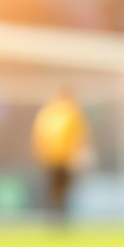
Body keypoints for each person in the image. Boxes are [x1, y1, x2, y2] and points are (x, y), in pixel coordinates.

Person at [32, 88, 90, 225]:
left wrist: (79, 153)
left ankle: (60, 216)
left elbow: (80, 135)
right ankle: (54, 216)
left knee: (62, 188)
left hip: (64, 157)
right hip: (53, 157)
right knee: (55, 188)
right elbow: (40, 135)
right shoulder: (50, 113)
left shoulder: (69, 114)